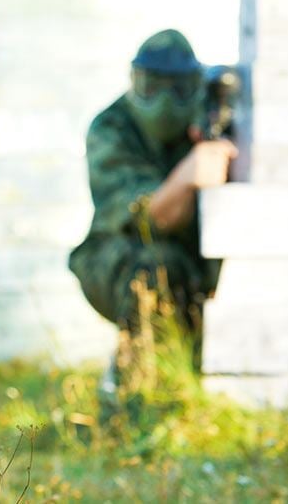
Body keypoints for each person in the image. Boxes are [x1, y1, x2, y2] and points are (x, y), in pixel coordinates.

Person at [69, 29, 236, 380]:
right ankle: (137, 395)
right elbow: (155, 218)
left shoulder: (209, 118)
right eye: (152, 86)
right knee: (155, 269)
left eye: (178, 89)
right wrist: (192, 172)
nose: (164, 101)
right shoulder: (111, 127)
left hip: (194, 262)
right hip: (115, 257)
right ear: (134, 82)